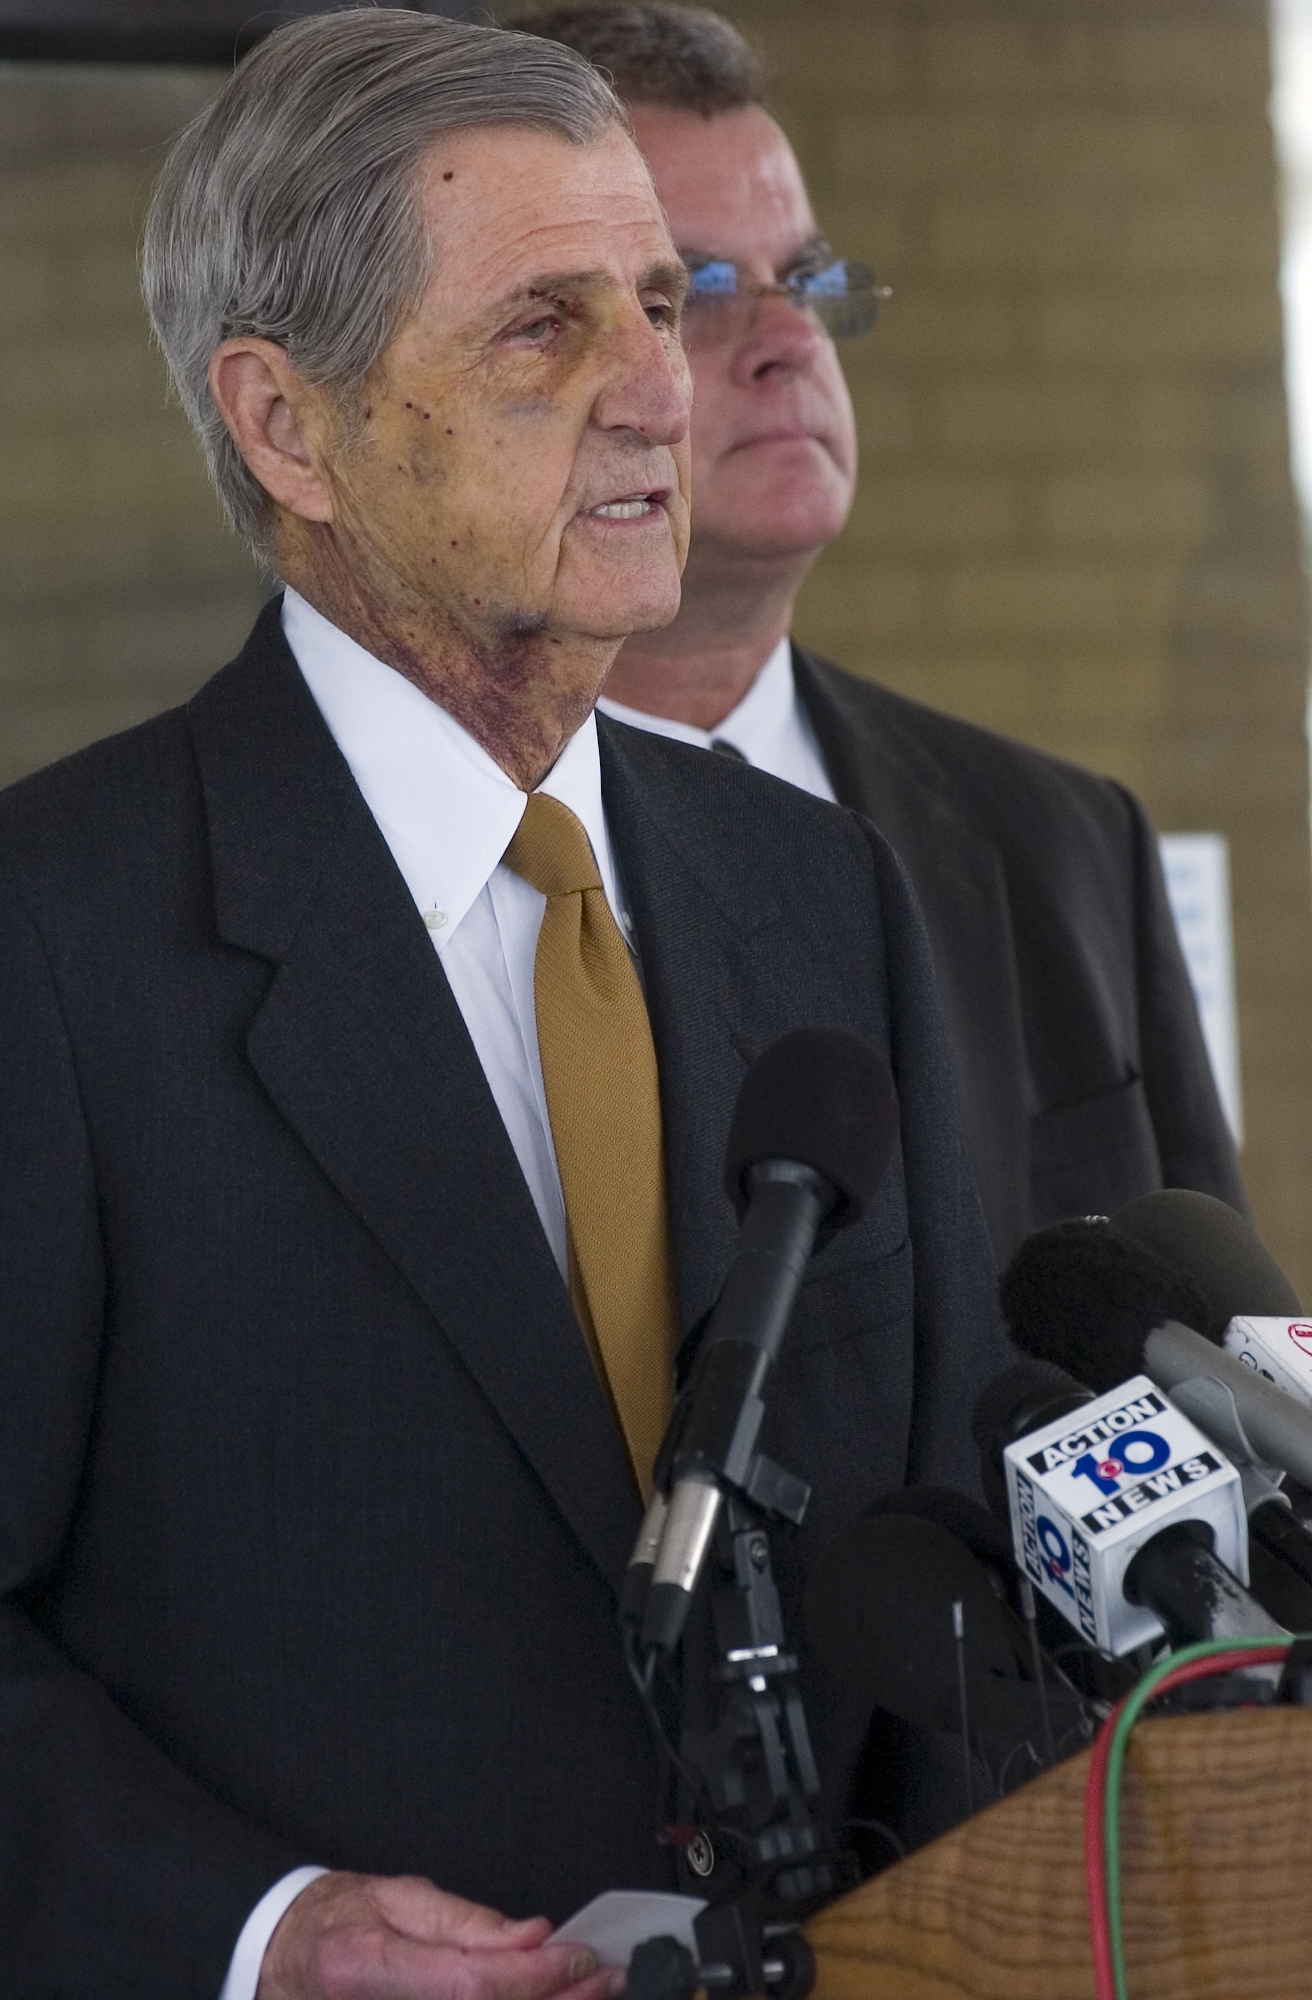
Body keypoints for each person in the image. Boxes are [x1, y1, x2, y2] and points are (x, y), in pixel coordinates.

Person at [0, 12, 1009, 1998]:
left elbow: (952, 1563)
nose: (656, 388)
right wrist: (256, 1931)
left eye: (659, 303)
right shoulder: (52, 937)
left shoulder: (822, 895)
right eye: (546, 327)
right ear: (286, 427)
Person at [512, 2, 1248, 1266]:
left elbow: (1213, 1343)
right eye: (694, 293)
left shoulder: (1065, 843)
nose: (790, 340)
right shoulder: (435, 850)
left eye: (807, 281)